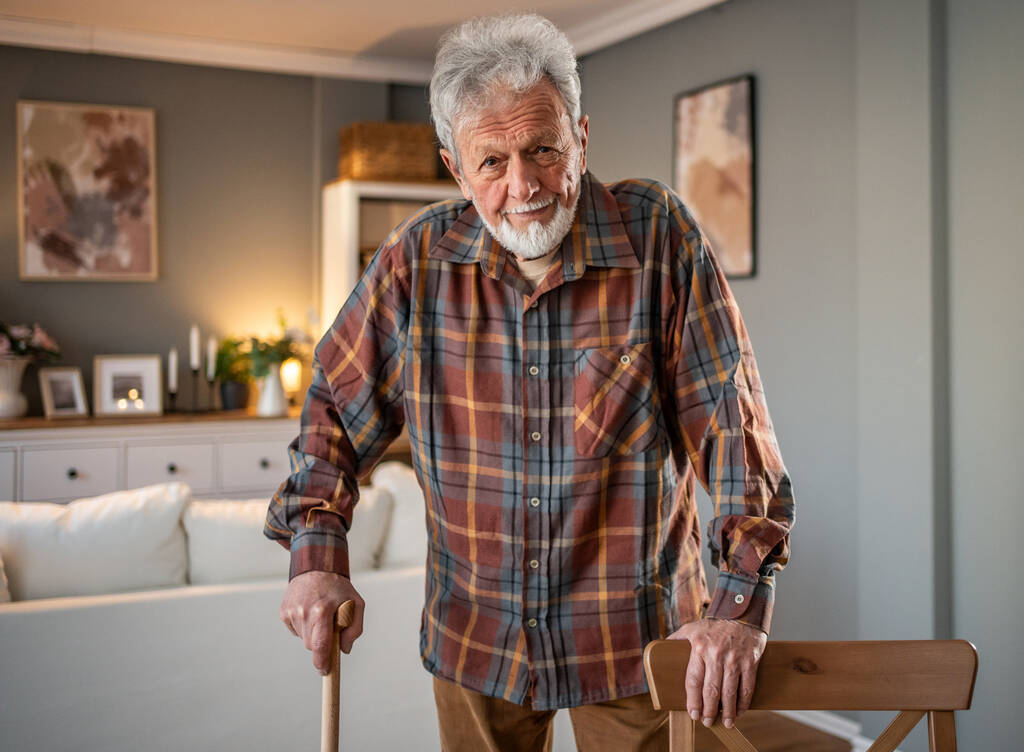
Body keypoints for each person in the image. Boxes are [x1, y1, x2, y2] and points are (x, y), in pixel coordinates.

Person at [266, 13, 794, 751]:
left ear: (580, 136)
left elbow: (733, 428)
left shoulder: (660, 239)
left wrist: (736, 610)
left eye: (543, 149)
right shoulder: (416, 262)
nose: (524, 185)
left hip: (633, 644)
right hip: (476, 642)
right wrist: (316, 557)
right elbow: (330, 409)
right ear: (455, 168)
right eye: (492, 161)